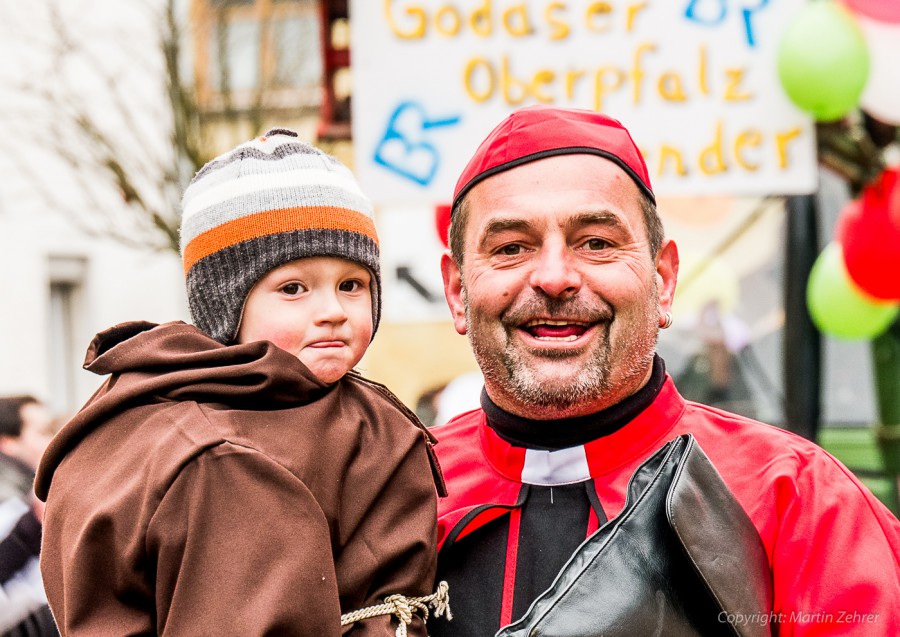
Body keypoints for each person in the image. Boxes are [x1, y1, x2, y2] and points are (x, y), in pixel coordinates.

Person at [430, 105, 900, 636]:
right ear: (457, 291)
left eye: (597, 243)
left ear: (663, 280)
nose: (555, 277)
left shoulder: (801, 503)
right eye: (511, 248)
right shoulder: (391, 495)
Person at [34, 129, 448, 636]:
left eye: (352, 285)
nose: (333, 312)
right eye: (293, 288)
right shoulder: (201, 450)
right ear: (223, 303)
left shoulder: (368, 420)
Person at [0, 396, 58, 637]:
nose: (54, 438)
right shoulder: (10, 497)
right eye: (43, 432)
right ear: (8, 443)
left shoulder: (34, 485)